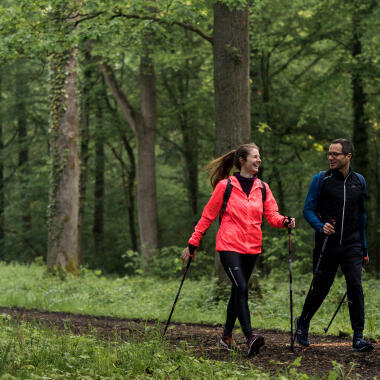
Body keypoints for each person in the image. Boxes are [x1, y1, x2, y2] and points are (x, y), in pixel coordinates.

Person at [181, 143, 295, 356]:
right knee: (241, 286)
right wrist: (193, 243)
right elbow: (208, 216)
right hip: (229, 245)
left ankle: (226, 337)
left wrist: (285, 221)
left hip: (252, 248)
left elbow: (272, 216)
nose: (259, 160)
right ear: (242, 160)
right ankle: (250, 336)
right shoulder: (225, 186)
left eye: (259, 156)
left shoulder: (263, 187)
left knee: (237, 290)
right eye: (255, 156)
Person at [295, 138, 374, 352]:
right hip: (327, 243)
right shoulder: (321, 179)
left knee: (355, 285)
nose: (330, 157)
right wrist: (321, 226)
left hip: (352, 244)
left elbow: (362, 216)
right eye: (329, 154)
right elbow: (307, 209)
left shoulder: (360, 181)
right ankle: (303, 322)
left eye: (335, 154)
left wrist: (364, 248)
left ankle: (358, 337)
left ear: (348, 156)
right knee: (321, 287)